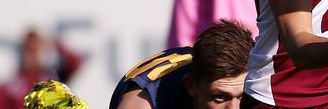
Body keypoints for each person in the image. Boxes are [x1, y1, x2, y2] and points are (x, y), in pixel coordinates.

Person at [109, 19, 255, 109]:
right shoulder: (141, 104)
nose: (234, 108)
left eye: (243, 97)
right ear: (191, 86)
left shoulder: (261, 87)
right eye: (220, 98)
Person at [0, 29, 83, 109]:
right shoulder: (11, 88)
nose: (34, 56)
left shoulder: (55, 79)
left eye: (37, 50)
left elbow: (76, 63)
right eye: (30, 50)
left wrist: (55, 43)